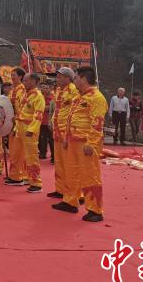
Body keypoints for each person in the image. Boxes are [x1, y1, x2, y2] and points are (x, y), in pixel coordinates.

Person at [52, 66, 108, 222]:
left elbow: (97, 123)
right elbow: (70, 119)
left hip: (85, 144)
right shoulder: (78, 96)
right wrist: (65, 137)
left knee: (90, 176)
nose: (74, 80)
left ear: (83, 79)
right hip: (72, 141)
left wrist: (91, 143)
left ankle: (95, 210)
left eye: (75, 78)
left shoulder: (97, 97)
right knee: (72, 173)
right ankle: (70, 201)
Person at [47, 67, 78, 199]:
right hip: (57, 132)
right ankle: (60, 189)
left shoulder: (73, 90)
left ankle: (76, 194)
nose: (57, 79)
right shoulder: (59, 90)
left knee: (69, 164)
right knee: (59, 163)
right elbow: (58, 109)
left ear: (67, 78)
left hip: (66, 132)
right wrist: (52, 120)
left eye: (59, 77)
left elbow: (73, 111)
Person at [14, 73, 46, 193]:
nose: (24, 83)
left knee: (32, 156)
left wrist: (31, 129)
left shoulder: (38, 96)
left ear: (33, 81)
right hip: (21, 128)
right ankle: (26, 177)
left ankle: (36, 183)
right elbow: (22, 112)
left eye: (26, 81)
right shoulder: (26, 94)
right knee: (22, 156)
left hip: (29, 130)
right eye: (24, 81)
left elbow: (38, 115)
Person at [4, 67, 27, 185]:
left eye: (14, 75)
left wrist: (17, 117)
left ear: (20, 77)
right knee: (13, 150)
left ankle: (18, 176)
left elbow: (23, 108)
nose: (12, 77)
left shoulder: (23, 90)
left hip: (19, 123)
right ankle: (16, 174)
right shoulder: (13, 90)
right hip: (12, 123)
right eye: (11, 75)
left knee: (18, 151)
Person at [39, 83, 54, 160]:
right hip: (41, 121)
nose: (44, 89)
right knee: (42, 139)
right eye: (43, 88)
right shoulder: (40, 97)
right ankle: (42, 153)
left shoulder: (53, 97)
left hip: (50, 122)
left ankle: (53, 155)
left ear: (50, 89)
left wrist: (43, 107)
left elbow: (50, 108)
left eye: (46, 88)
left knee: (51, 139)